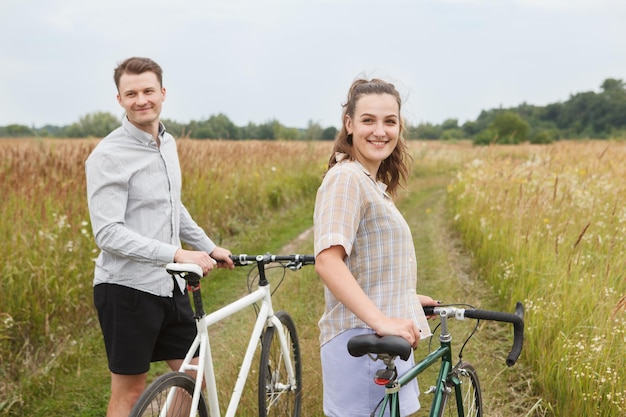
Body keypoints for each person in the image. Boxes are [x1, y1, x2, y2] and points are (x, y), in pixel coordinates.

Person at [85, 56, 235, 417]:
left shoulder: (166, 143)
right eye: (131, 93)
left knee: (195, 375)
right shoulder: (108, 155)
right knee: (130, 389)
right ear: (119, 99)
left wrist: (207, 247)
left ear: (163, 93)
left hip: (170, 287)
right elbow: (108, 234)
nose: (141, 100)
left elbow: (172, 207)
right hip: (126, 289)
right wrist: (176, 253)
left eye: (148, 91)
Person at [314, 78, 438, 417]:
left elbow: (365, 262)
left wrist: (402, 297)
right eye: (368, 120)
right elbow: (328, 262)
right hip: (367, 347)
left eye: (390, 121)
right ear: (349, 124)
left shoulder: (369, 181)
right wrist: (382, 320)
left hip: (384, 341)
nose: (379, 131)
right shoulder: (346, 179)